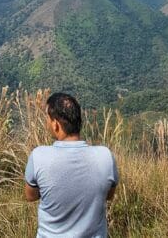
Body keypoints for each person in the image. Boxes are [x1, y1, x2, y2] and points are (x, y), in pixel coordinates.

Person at [24, 92, 118, 238]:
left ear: (56, 124)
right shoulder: (106, 156)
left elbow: (30, 196)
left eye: (47, 119)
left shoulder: (38, 156)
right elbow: (109, 195)